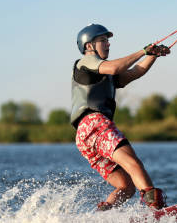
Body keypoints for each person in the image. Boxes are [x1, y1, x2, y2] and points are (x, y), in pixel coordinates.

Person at [71, 23, 170, 211]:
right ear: (88, 46)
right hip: (94, 123)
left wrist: (153, 55)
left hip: (84, 137)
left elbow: (134, 72)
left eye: (108, 41)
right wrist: (142, 51)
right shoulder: (85, 62)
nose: (108, 44)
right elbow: (116, 67)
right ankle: (156, 207)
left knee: (126, 186)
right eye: (102, 40)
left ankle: (102, 216)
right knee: (131, 161)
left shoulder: (105, 73)